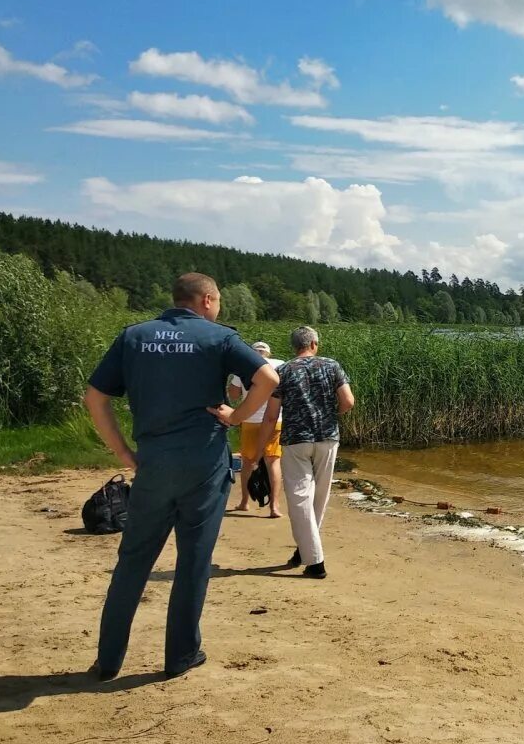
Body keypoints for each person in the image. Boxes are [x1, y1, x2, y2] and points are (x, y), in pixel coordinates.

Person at [84, 273, 278, 681]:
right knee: (193, 561)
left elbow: (95, 397)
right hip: (204, 465)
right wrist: (237, 416)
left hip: (154, 462)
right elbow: (269, 379)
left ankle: (108, 660)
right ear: (207, 300)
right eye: (219, 299)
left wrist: (123, 453)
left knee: (132, 561)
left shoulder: (134, 336)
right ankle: (180, 656)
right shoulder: (219, 338)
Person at [254, 325, 354, 580]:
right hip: (327, 437)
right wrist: (333, 414)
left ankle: (313, 560)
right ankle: (307, 552)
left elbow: (271, 415)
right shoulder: (332, 365)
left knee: (300, 499)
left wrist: (258, 450)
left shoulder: (284, 371)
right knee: (319, 497)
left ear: (294, 346)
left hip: (296, 440)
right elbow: (348, 401)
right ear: (314, 344)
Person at [229, 341, 285, 517]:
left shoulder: (245, 365)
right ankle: (274, 507)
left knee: (248, 461)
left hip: (250, 420)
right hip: (276, 419)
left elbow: (233, 394)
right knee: (273, 461)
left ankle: (245, 502)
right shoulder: (281, 364)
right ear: (268, 353)